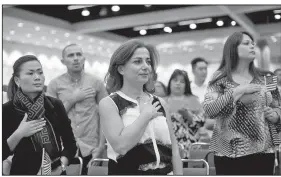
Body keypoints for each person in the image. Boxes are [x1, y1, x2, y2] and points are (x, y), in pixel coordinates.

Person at [99, 39, 183, 175]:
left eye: (148, 61)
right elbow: (121, 146)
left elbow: (174, 149)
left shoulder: (160, 102)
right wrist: (145, 116)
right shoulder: (109, 103)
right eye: (138, 61)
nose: (146, 67)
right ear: (121, 69)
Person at [203, 31, 281, 175]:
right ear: (233, 48)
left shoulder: (267, 77)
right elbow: (209, 110)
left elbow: (277, 106)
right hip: (228, 152)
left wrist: (276, 116)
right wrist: (237, 92)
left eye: (253, 43)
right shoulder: (219, 78)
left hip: (264, 151)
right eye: (246, 43)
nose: (252, 46)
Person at [2, 55, 77, 175]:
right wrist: (20, 133)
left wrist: (61, 166)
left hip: (56, 173)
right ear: (17, 80)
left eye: (40, 72)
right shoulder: (7, 110)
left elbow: (71, 144)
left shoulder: (55, 105)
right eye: (30, 73)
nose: (37, 77)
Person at [47, 44, 108, 175]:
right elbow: (50, 117)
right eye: (71, 55)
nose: (76, 58)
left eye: (79, 54)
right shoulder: (55, 84)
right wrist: (72, 99)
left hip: (91, 147)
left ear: (84, 58)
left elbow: (106, 116)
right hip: (63, 148)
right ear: (63, 61)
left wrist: (101, 146)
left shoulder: (96, 82)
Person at [165, 69, 205, 159]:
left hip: (188, 147)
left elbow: (202, 122)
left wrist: (188, 116)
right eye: (175, 80)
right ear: (170, 83)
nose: (178, 83)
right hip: (167, 146)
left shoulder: (193, 100)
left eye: (182, 81)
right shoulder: (163, 101)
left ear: (186, 85)